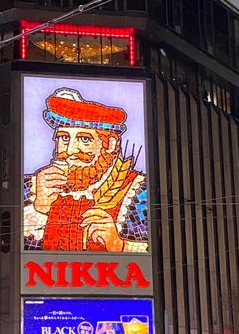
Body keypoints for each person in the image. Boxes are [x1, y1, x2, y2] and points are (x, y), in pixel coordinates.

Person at [23, 88, 148, 253]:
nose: (70, 150)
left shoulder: (139, 191)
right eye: (64, 138)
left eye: (84, 139)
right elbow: (7, 247)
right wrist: (39, 209)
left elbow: (161, 249)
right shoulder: (30, 187)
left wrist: (120, 245)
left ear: (110, 144)